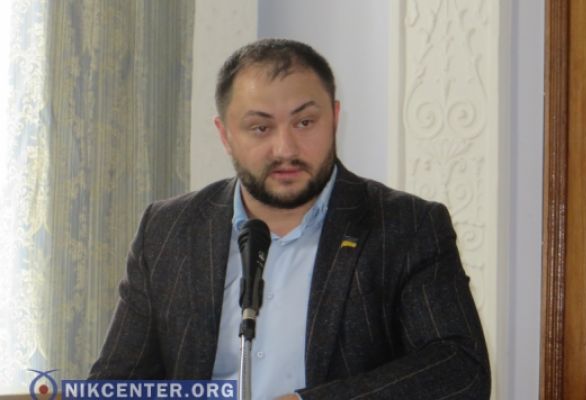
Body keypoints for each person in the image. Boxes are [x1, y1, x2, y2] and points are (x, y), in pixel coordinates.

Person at [89, 38, 491, 399]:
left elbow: (460, 370)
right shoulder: (168, 230)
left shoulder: (406, 225)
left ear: (334, 118)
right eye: (260, 127)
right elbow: (116, 382)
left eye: (304, 122)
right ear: (225, 135)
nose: (285, 148)